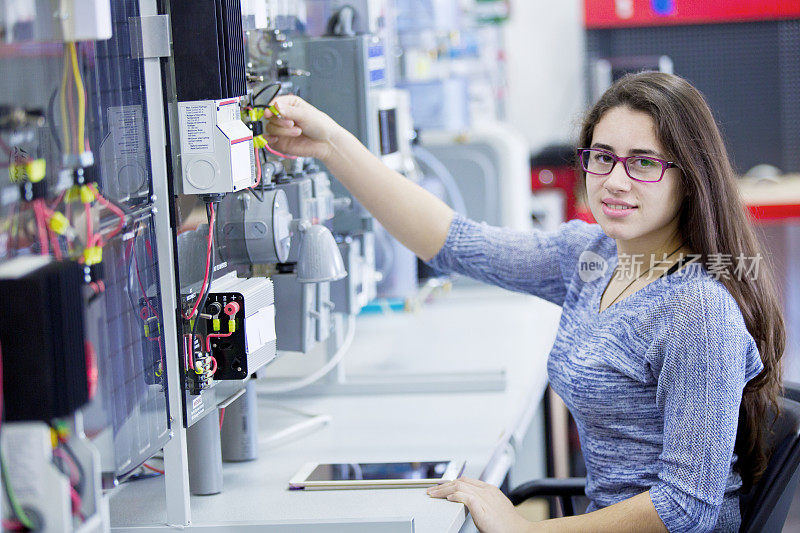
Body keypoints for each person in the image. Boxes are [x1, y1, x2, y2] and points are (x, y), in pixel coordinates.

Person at [263, 71, 785, 533]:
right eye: (602, 158)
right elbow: (450, 241)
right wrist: (330, 145)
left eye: (644, 163)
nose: (616, 181)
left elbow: (686, 508)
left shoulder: (697, 310)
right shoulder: (593, 257)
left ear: (689, 178)